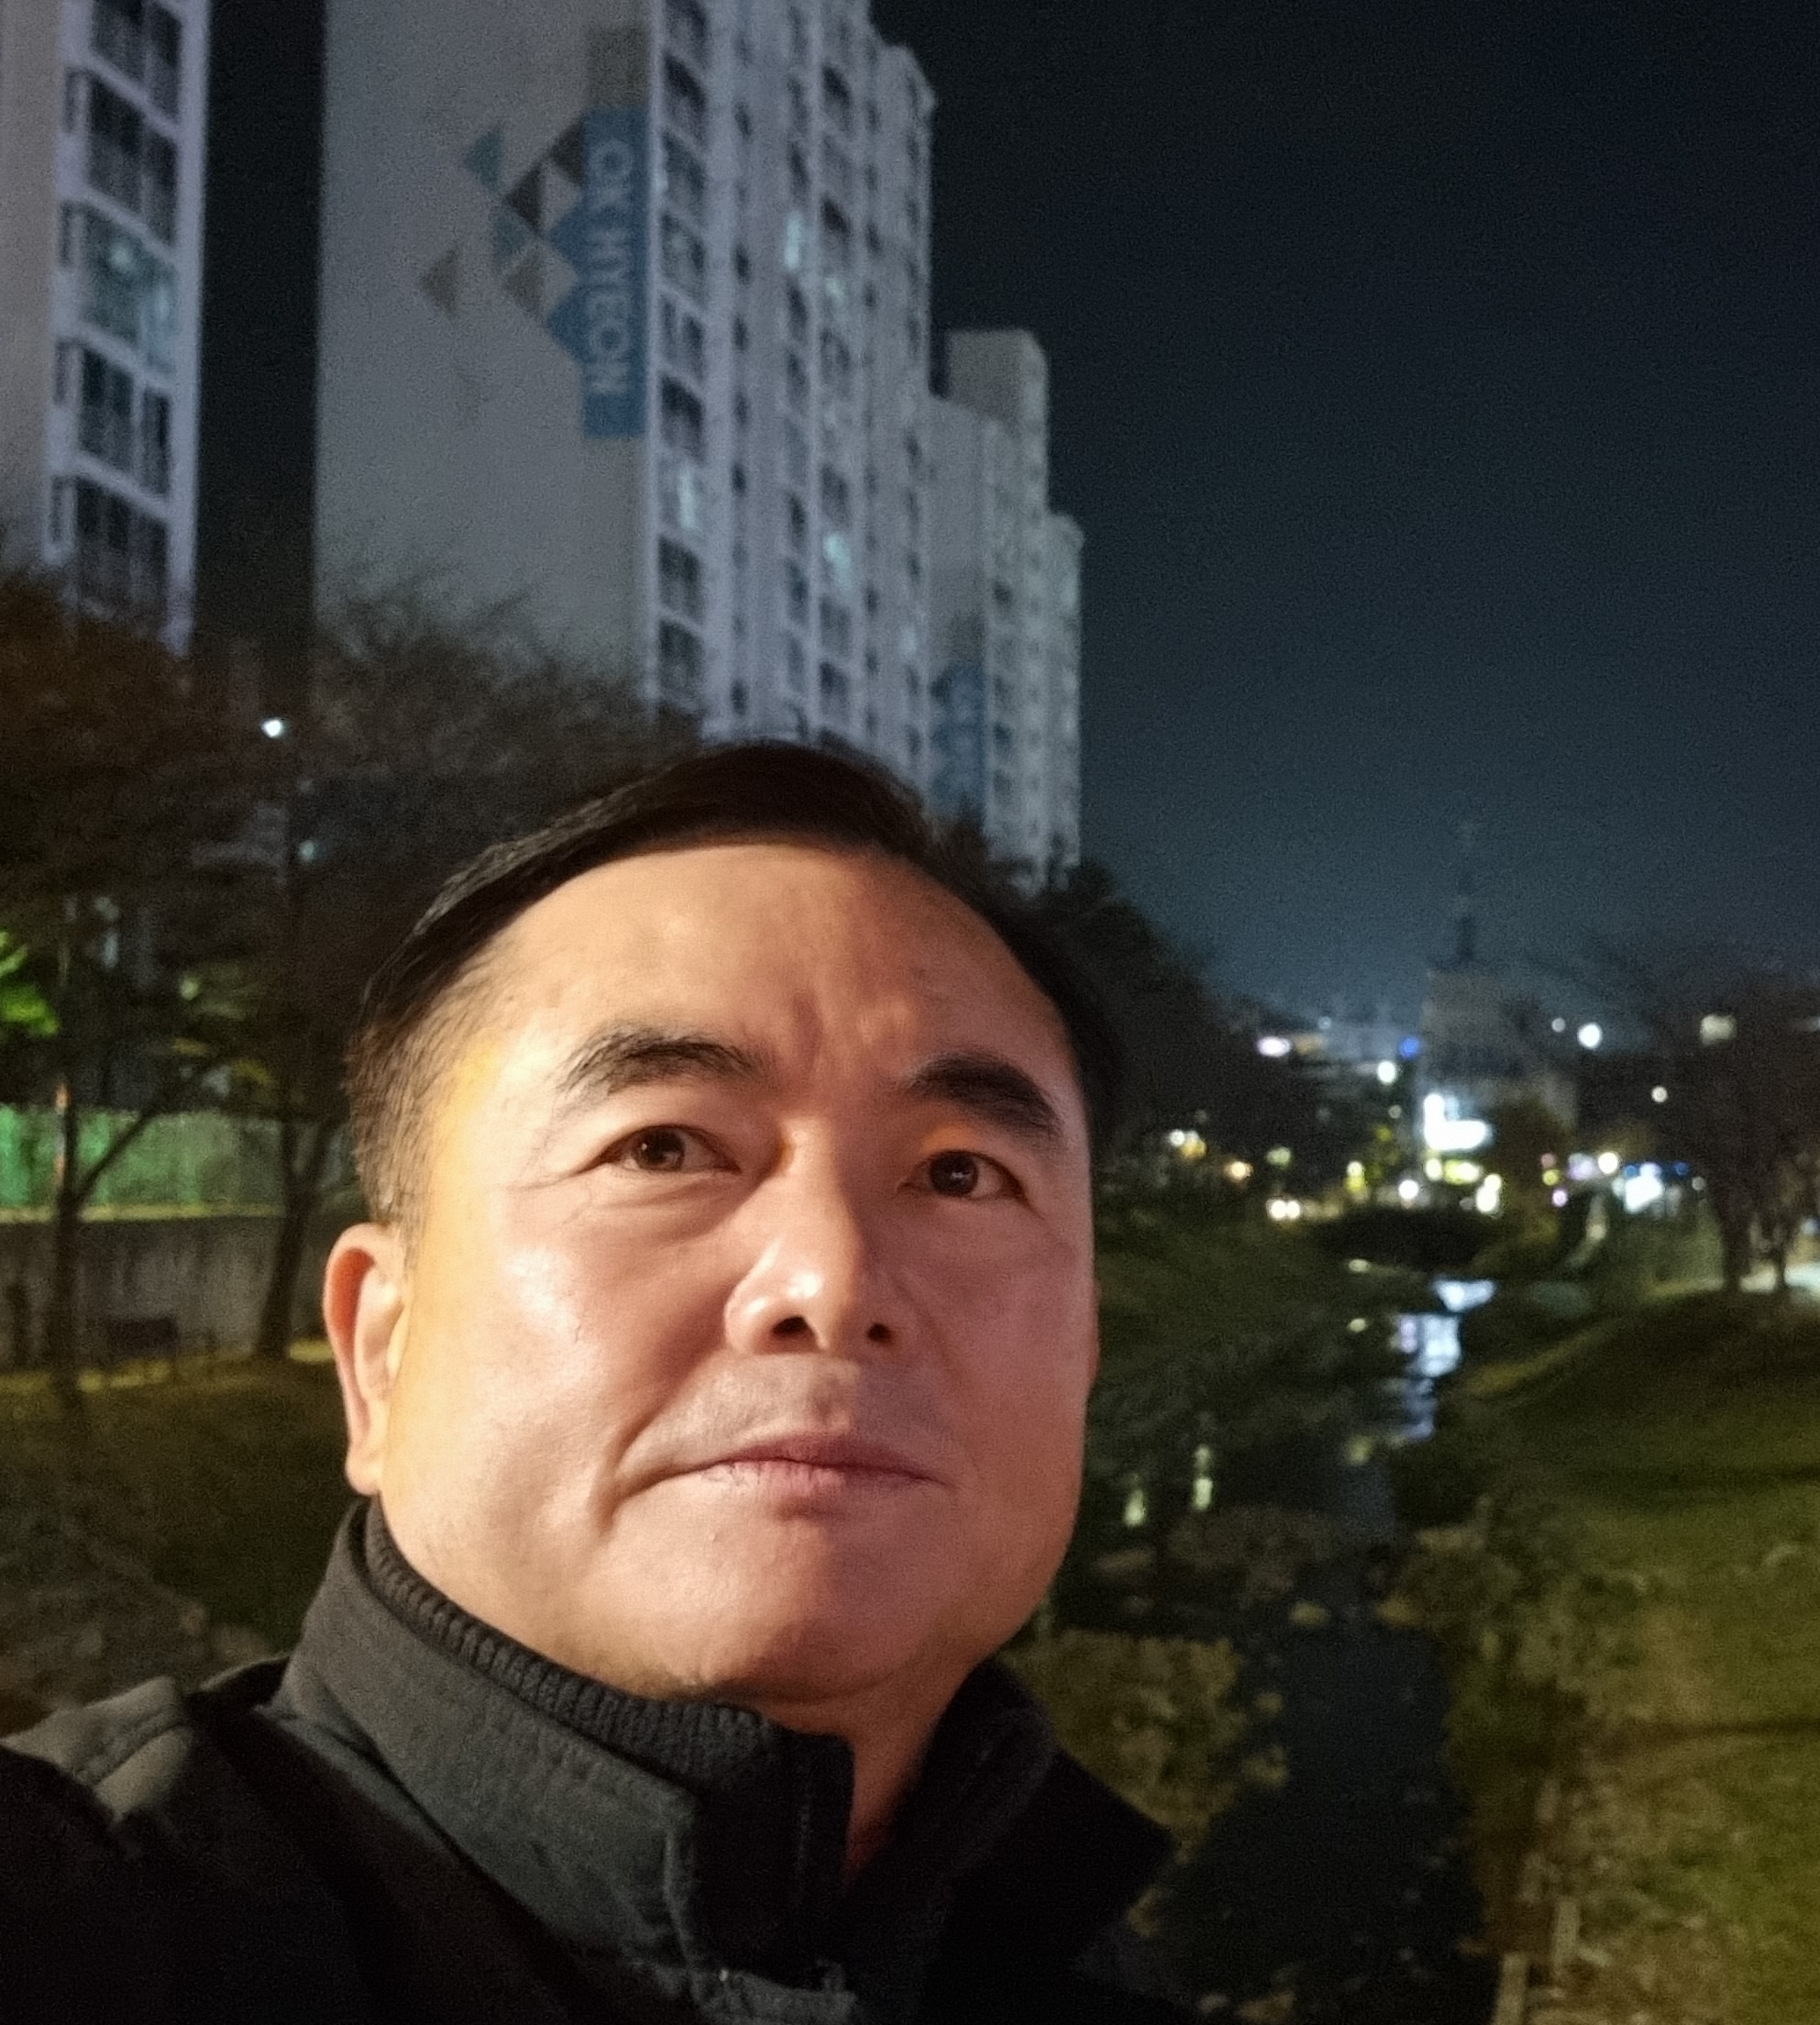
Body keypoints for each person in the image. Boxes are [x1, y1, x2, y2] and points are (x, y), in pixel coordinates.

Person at [0, 744, 1192, 2023]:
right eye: (662, 1146)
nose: (833, 1280)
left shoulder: (1088, 1966)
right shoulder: (84, 1923)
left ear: (1084, 1350)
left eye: (961, 1175)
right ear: (380, 1350)